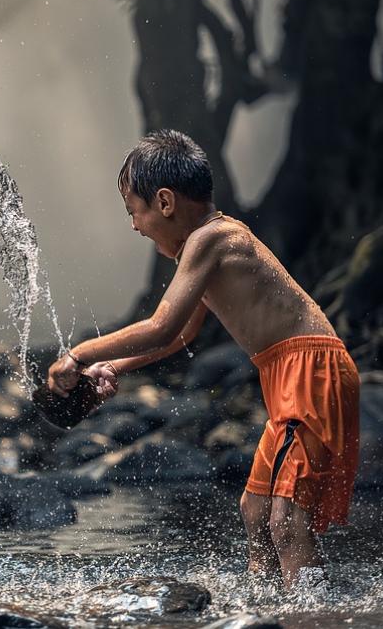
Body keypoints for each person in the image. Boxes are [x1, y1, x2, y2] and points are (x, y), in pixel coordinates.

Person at [47, 130, 359, 589]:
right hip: (291, 374)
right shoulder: (207, 245)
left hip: (310, 373)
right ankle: (265, 607)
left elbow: (161, 326)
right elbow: (179, 337)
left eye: (134, 211)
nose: (134, 225)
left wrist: (77, 355)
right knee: (255, 511)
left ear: (166, 202)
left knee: (287, 519)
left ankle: (312, 617)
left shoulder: (212, 238)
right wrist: (114, 367)